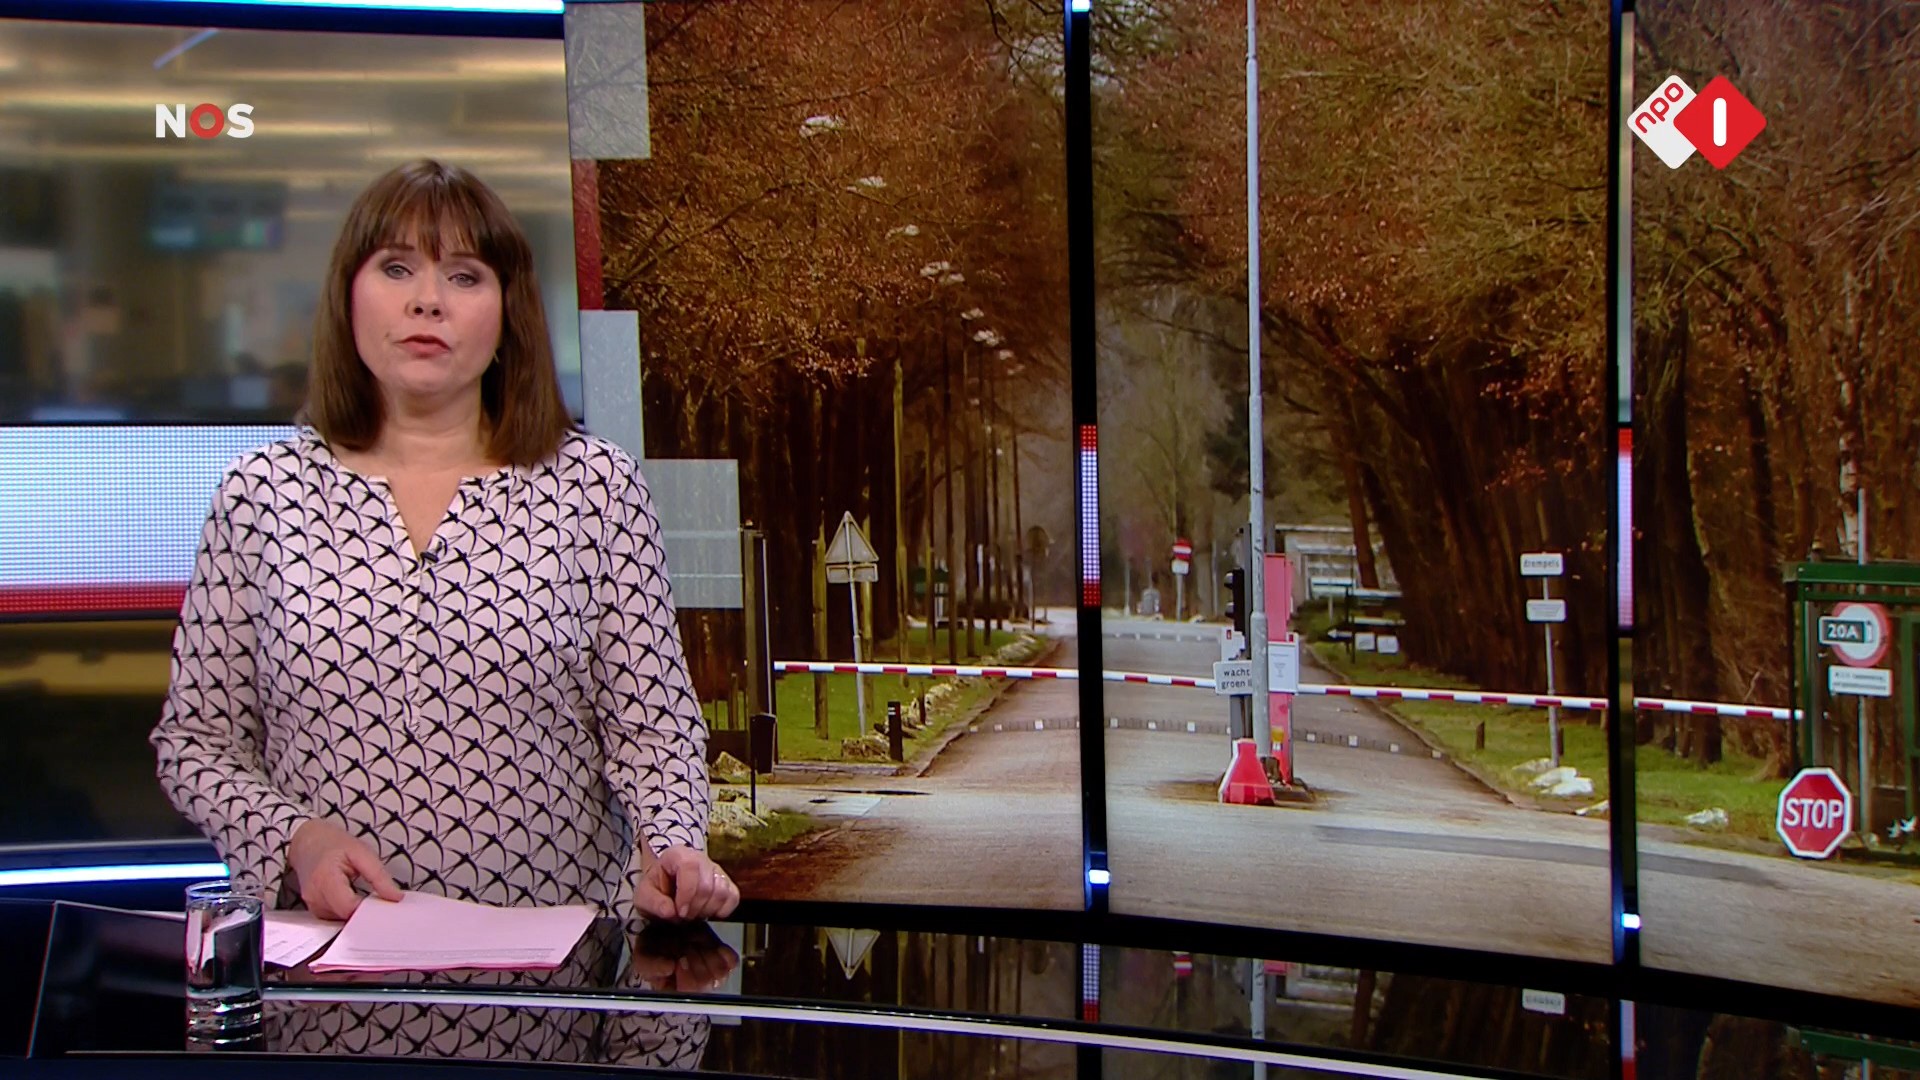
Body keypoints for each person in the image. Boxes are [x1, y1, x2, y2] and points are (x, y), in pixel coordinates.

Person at [151, 159, 737, 925]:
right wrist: (295, 839)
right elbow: (197, 741)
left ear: (507, 312)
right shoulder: (261, 495)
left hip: (551, 967)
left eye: (464, 276)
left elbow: (652, 725)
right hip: (330, 962)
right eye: (397, 268)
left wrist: (672, 845)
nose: (427, 300)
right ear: (347, 294)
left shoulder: (594, 487)